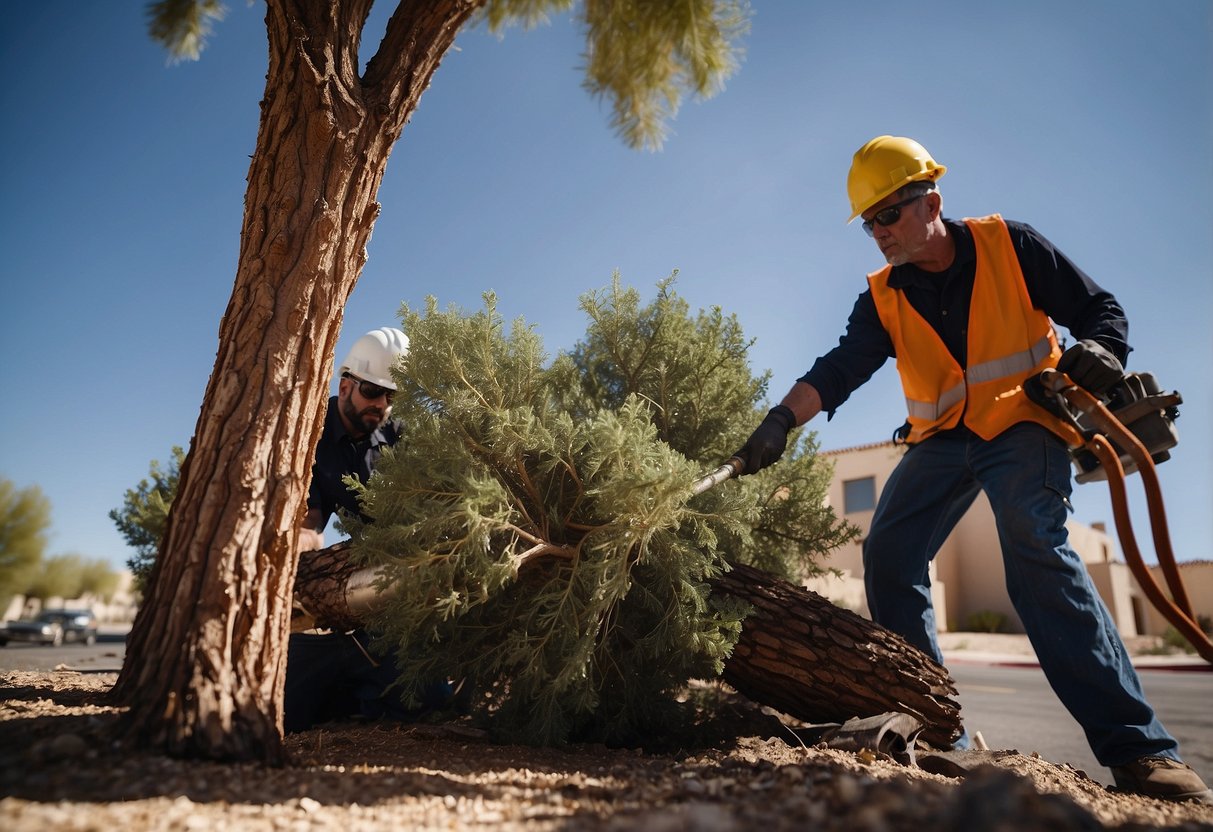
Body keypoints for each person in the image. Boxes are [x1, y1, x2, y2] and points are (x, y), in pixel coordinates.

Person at [733, 135, 1211, 804]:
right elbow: (838, 369)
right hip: (941, 438)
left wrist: (1100, 350)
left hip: (1023, 422)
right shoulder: (881, 297)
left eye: (887, 215)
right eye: (867, 223)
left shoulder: (1010, 246)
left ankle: (1140, 752)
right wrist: (780, 420)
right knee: (890, 554)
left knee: (1029, 539)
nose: (876, 233)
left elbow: (1101, 311)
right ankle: (931, 731)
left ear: (930, 201)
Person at [286, 326, 449, 732]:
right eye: (374, 392)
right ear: (345, 386)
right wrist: (297, 571)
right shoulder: (310, 434)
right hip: (353, 577)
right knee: (291, 705)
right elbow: (309, 521)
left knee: (430, 701)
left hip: (404, 577)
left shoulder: (399, 437)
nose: (383, 404)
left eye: (391, 396)